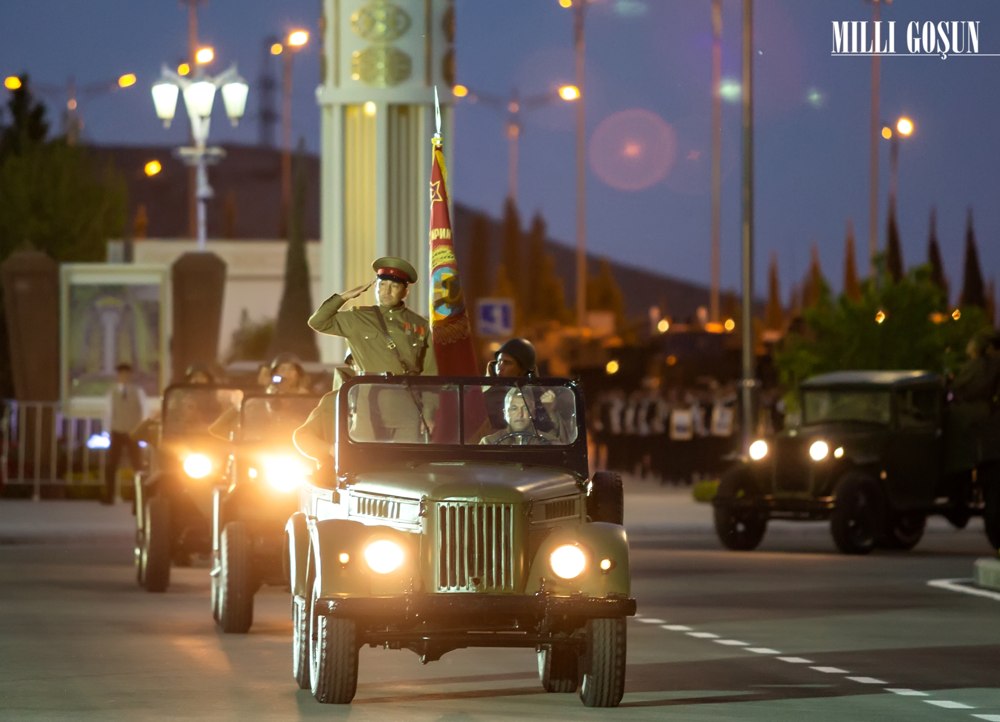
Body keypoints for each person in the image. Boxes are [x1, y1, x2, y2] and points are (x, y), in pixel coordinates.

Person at [308, 256, 436, 377]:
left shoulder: (421, 325)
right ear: (376, 288)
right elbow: (317, 322)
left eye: (395, 286)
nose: (387, 291)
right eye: (382, 284)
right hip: (370, 396)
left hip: (407, 396)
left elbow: (430, 373)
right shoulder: (358, 318)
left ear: (405, 292)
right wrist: (343, 297)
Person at [103, 362, 147, 504]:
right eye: (121, 374)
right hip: (117, 431)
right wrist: (107, 431)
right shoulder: (112, 393)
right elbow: (109, 413)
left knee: (137, 466)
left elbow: (144, 411)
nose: (124, 377)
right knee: (112, 465)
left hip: (133, 432)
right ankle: (109, 496)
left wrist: (142, 429)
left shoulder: (138, 391)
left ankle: (139, 497)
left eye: (126, 374)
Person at [480, 387, 558, 446]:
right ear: (505, 413)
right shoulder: (489, 443)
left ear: (533, 413)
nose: (520, 414)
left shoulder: (549, 442)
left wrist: (551, 411)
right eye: (514, 408)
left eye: (525, 408)